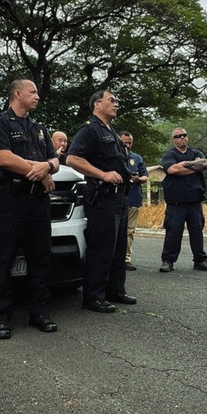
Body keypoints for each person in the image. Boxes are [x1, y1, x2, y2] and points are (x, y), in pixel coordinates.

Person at [0, 80, 61, 339]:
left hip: (38, 202)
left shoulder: (40, 129)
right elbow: (4, 158)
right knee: (2, 259)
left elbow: (55, 160)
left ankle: (38, 313)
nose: (38, 96)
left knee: (41, 258)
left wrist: (47, 168)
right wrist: (39, 171)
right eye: (33, 92)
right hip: (9, 200)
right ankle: (0, 318)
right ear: (17, 94)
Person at [67, 90, 135, 312]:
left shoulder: (112, 133)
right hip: (103, 197)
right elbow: (73, 158)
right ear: (97, 104)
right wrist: (103, 174)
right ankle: (93, 297)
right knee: (102, 248)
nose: (116, 104)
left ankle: (115, 290)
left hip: (120, 197)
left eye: (117, 100)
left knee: (118, 248)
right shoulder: (89, 129)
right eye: (111, 100)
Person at [159, 128, 207, 273]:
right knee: (173, 232)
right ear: (174, 139)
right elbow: (172, 170)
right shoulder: (170, 154)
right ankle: (168, 261)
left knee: (197, 232)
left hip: (194, 201)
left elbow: (204, 164)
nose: (182, 138)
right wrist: (194, 166)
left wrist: (185, 166)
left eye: (184, 135)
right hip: (176, 202)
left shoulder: (196, 153)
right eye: (178, 136)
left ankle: (200, 261)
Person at [120, 131, 149, 271]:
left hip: (133, 199)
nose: (127, 145)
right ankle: (114, 258)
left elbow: (145, 176)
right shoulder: (114, 157)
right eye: (124, 142)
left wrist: (139, 179)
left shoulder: (136, 158)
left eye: (130, 142)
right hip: (117, 199)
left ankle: (126, 259)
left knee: (129, 230)